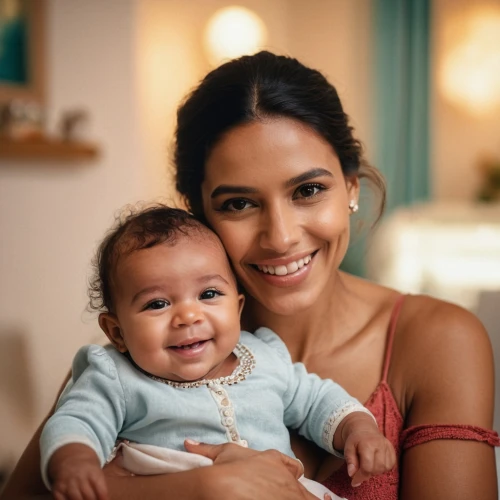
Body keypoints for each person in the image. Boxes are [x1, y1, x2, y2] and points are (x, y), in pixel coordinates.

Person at [1, 51, 499, 500]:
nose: (280, 237)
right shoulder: (128, 361)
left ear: (350, 187)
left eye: (307, 191)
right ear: (199, 215)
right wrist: (201, 487)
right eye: (238, 203)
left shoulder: (439, 342)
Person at [39, 205, 395, 500]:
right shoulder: (115, 375)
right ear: (117, 332)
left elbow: (319, 400)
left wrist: (358, 430)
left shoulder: (265, 357)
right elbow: (77, 421)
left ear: (237, 308)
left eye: (208, 294)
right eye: (158, 303)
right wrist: (75, 461)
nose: (189, 316)